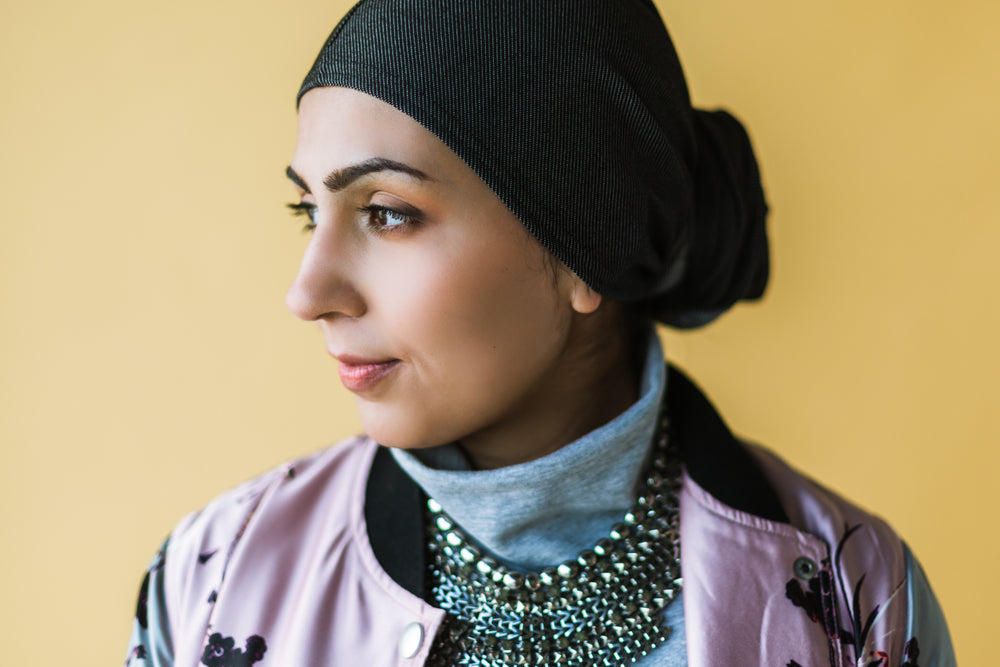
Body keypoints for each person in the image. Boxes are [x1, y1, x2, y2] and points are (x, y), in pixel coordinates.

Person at [124, 1, 955, 665]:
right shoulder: (216, 577)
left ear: (582, 244)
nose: (307, 292)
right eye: (307, 209)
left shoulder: (856, 595)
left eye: (387, 213)